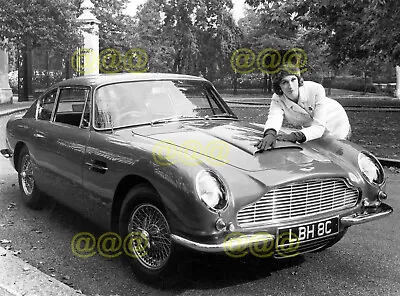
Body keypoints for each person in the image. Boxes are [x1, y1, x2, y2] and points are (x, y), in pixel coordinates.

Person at [256, 68, 351, 151]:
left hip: (335, 121)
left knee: (336, 153)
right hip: (312, 128)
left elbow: (319, 126)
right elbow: (274, 117)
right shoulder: (277, 98)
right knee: (316, 153)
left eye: (293, 79)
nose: (290, 86)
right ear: (278, 86)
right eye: (284, 82)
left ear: (298, 79)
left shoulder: (316, 89)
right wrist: (270, 134)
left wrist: (294, 136)